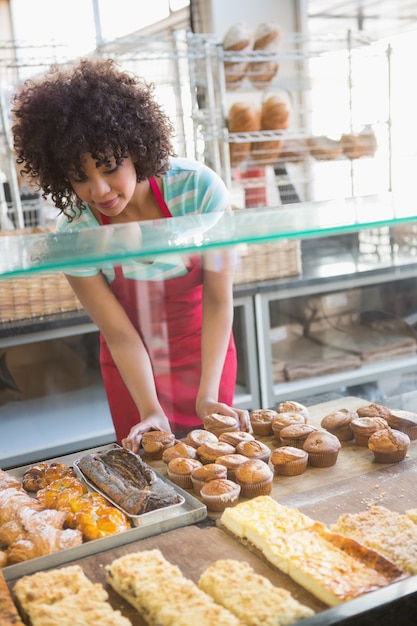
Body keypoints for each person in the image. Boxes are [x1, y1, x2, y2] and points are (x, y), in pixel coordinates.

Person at [11, 57, 249, 452]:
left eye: (108, 166)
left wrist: (208, 396)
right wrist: (149, 408)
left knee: (217, 466)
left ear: (136, 147)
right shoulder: (75, 233)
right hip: (131, 371)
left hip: (206, 353)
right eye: (80, 176)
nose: (99, 190)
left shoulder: (199, 190)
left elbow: (219, 299)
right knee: (150, 479)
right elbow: (119, 334)